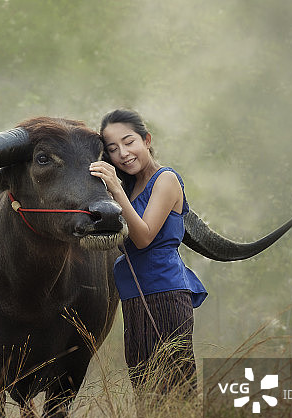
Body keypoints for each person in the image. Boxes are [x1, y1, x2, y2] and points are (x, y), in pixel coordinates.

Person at [89, 109, 207, 396]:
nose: (123, 154)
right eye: (113, 149)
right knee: (144, 387)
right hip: (133, 297)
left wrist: (116, 190)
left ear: (146, 140)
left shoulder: (165, 180)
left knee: (174, 386)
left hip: (166, 292)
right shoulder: (129, 187)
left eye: (129, 142)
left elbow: (143, 237)